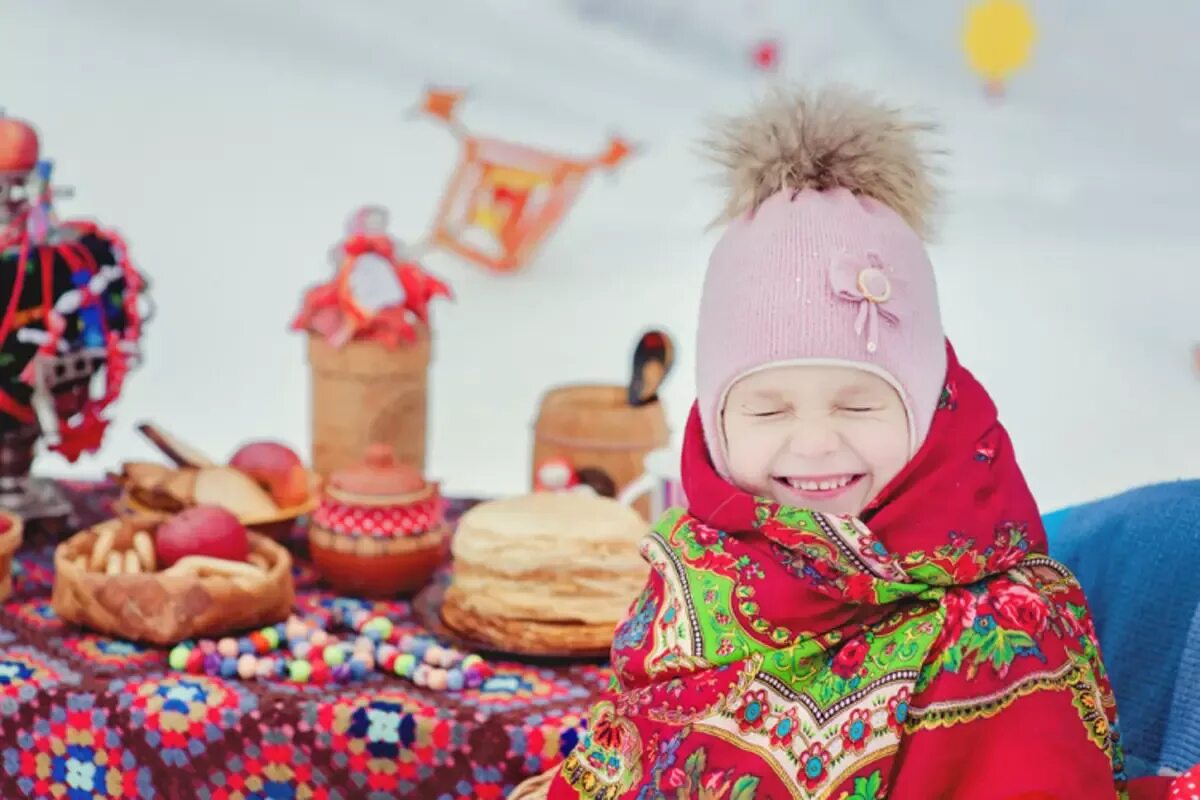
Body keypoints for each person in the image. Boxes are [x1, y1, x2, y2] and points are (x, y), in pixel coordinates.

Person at [510, 86, 1127, 799]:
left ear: (928, 408)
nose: (813, 444)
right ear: (716, 424)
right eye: (767, 411)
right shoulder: (695, 567)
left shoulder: (1000, 638)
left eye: (860, 402)